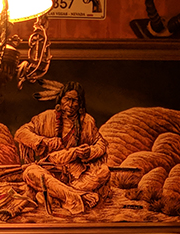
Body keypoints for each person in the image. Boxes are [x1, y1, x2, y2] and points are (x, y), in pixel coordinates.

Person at [14, 81, 109, 215]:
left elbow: (101, 144)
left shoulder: (87, 121)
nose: (70, 104)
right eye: (67, 99)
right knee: (30, 172)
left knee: (104, 171)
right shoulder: (46, 117)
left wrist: (89, 152)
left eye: (75, 100)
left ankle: (57, 194)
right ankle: (78, 196)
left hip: (76, 176)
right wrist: (44, 141)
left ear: (80, 103)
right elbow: (20, 133)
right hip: (49, 172)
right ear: (60, 99)